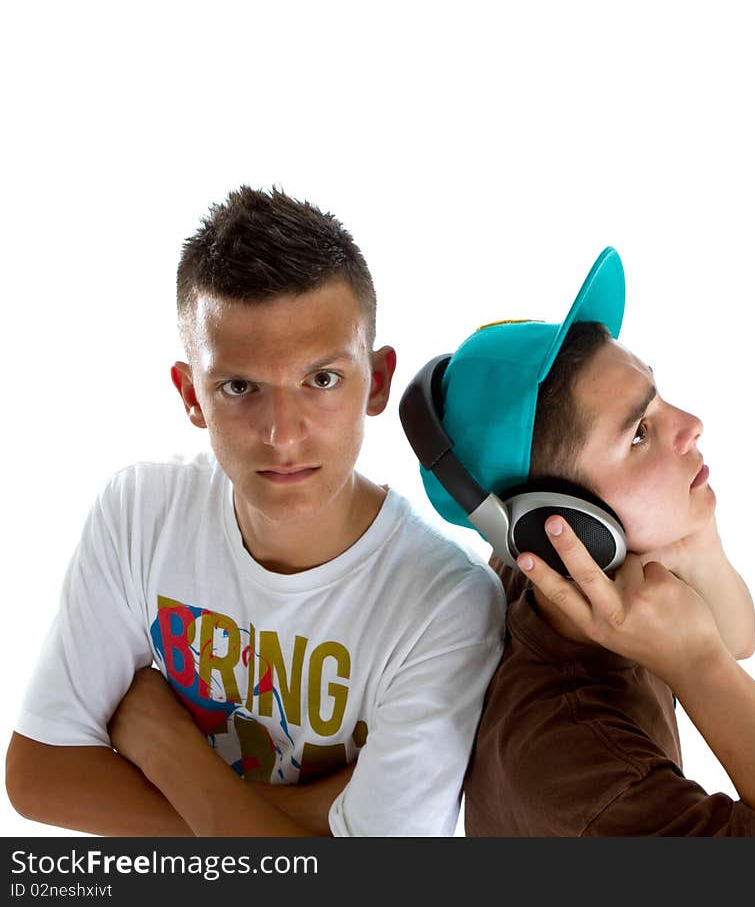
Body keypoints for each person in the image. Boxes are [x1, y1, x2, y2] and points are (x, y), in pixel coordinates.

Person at [6, 185, 505, 837]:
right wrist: (306, 821)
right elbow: (39, 777)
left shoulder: (446, 602)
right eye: (239, 387)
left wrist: (167, 748)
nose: (283, 435)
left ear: (376, 382)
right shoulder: (139, 513)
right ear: (191, 395)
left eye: (321, 380)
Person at [404, 247, 755, 836]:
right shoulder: (580, 772)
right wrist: (696, 664)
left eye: (657, 396)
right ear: (566, 523)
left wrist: (698, 537)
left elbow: (735, 636)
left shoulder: (563, 578)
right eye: (639, 433)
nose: (691, 424)